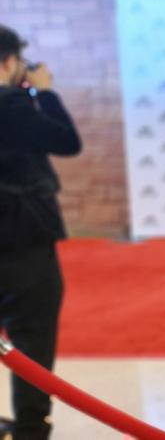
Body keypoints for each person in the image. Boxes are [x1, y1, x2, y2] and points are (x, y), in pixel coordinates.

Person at [0, 24, 81, 440]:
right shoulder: (14, 104)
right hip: (20, 242)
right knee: (32, 337)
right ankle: (31, 428)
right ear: (11, 61)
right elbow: (67, 141)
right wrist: (44, 91)